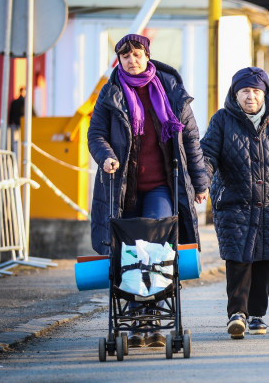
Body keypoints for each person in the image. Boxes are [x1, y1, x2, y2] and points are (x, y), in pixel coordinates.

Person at [87, 33, 209, 348]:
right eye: (125, 56)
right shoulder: (110, 93)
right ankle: (135, 320)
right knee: (127, 252)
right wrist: (107, 157)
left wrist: (199, 183)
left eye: (137, 54)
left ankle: (154, 316)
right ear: (119, 60)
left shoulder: (169, 89)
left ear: (147, 55)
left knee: (156, 246)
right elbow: (96, 134)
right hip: (122, 188)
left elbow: (191, 140)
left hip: (160, 187)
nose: (132, 60)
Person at [200, 67, 269, 340]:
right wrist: (201, 183)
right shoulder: (222, 120)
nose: (250, 96)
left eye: (255, 91)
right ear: (235, 94)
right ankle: (237, 314)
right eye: (244, 91)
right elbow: (207, 155)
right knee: (238, 258)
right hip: (234, 203)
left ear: (264, 93)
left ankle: (257, 314)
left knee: (265, 260)